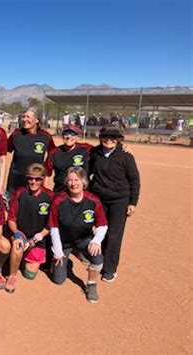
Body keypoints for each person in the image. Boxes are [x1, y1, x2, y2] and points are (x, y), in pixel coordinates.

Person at [48, 167, 108, 304]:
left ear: (84, 182)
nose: (73, 183)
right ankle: (61, 258)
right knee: (58, 280)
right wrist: (57, 251)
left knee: (98, 256)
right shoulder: (59, 201)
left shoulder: (93, 201)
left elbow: (102, 224)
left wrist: (96, 241)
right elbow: (54, 227)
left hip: (83, 239)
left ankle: (91, 284)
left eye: (76, 180)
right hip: (64, 242)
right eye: (70, 180)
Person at [89, 124, 140, 282]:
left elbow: (134, 180)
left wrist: (133, 202)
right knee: (98, 231)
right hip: (99, 198)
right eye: (106, 136)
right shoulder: (95, 153)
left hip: (119, 200)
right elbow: (87, 171)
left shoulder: (126, 156)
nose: (109, 140)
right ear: (100, 138)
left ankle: (110, 268)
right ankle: (99, 258)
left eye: (113, 137)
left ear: (119, 139)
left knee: (113, 235)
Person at [6, 163, 54, 293]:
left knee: (30, 275)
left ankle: (19, 259)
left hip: (38, 238)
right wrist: (17, 234)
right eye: (30, 178)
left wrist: (34, 240)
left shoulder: (50, 196)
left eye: (37, 179)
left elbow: (50, 225)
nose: (33, 182)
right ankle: (12, 276)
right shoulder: (20, 193)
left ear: (43, 179)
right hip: (20, 234)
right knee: (18, 246)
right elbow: (11, 219)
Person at [6, 106, 54, 196]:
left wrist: (46, 171)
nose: (24, 119)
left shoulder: (45, 137)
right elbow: (5, 150)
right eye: (23, 117)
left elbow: (54, 154)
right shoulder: (16, 135)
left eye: (28, 117)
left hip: (35, 182)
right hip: (16, 182)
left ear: (37, 120)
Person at [45, 124, 92, 193]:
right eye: (66, 133)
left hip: (82, 193)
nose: (69, 136)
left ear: (77, 137)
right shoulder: (54, 152)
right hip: (60, 192)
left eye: (72, 134)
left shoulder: (86, 149)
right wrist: (47, 193)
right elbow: (47, 174)